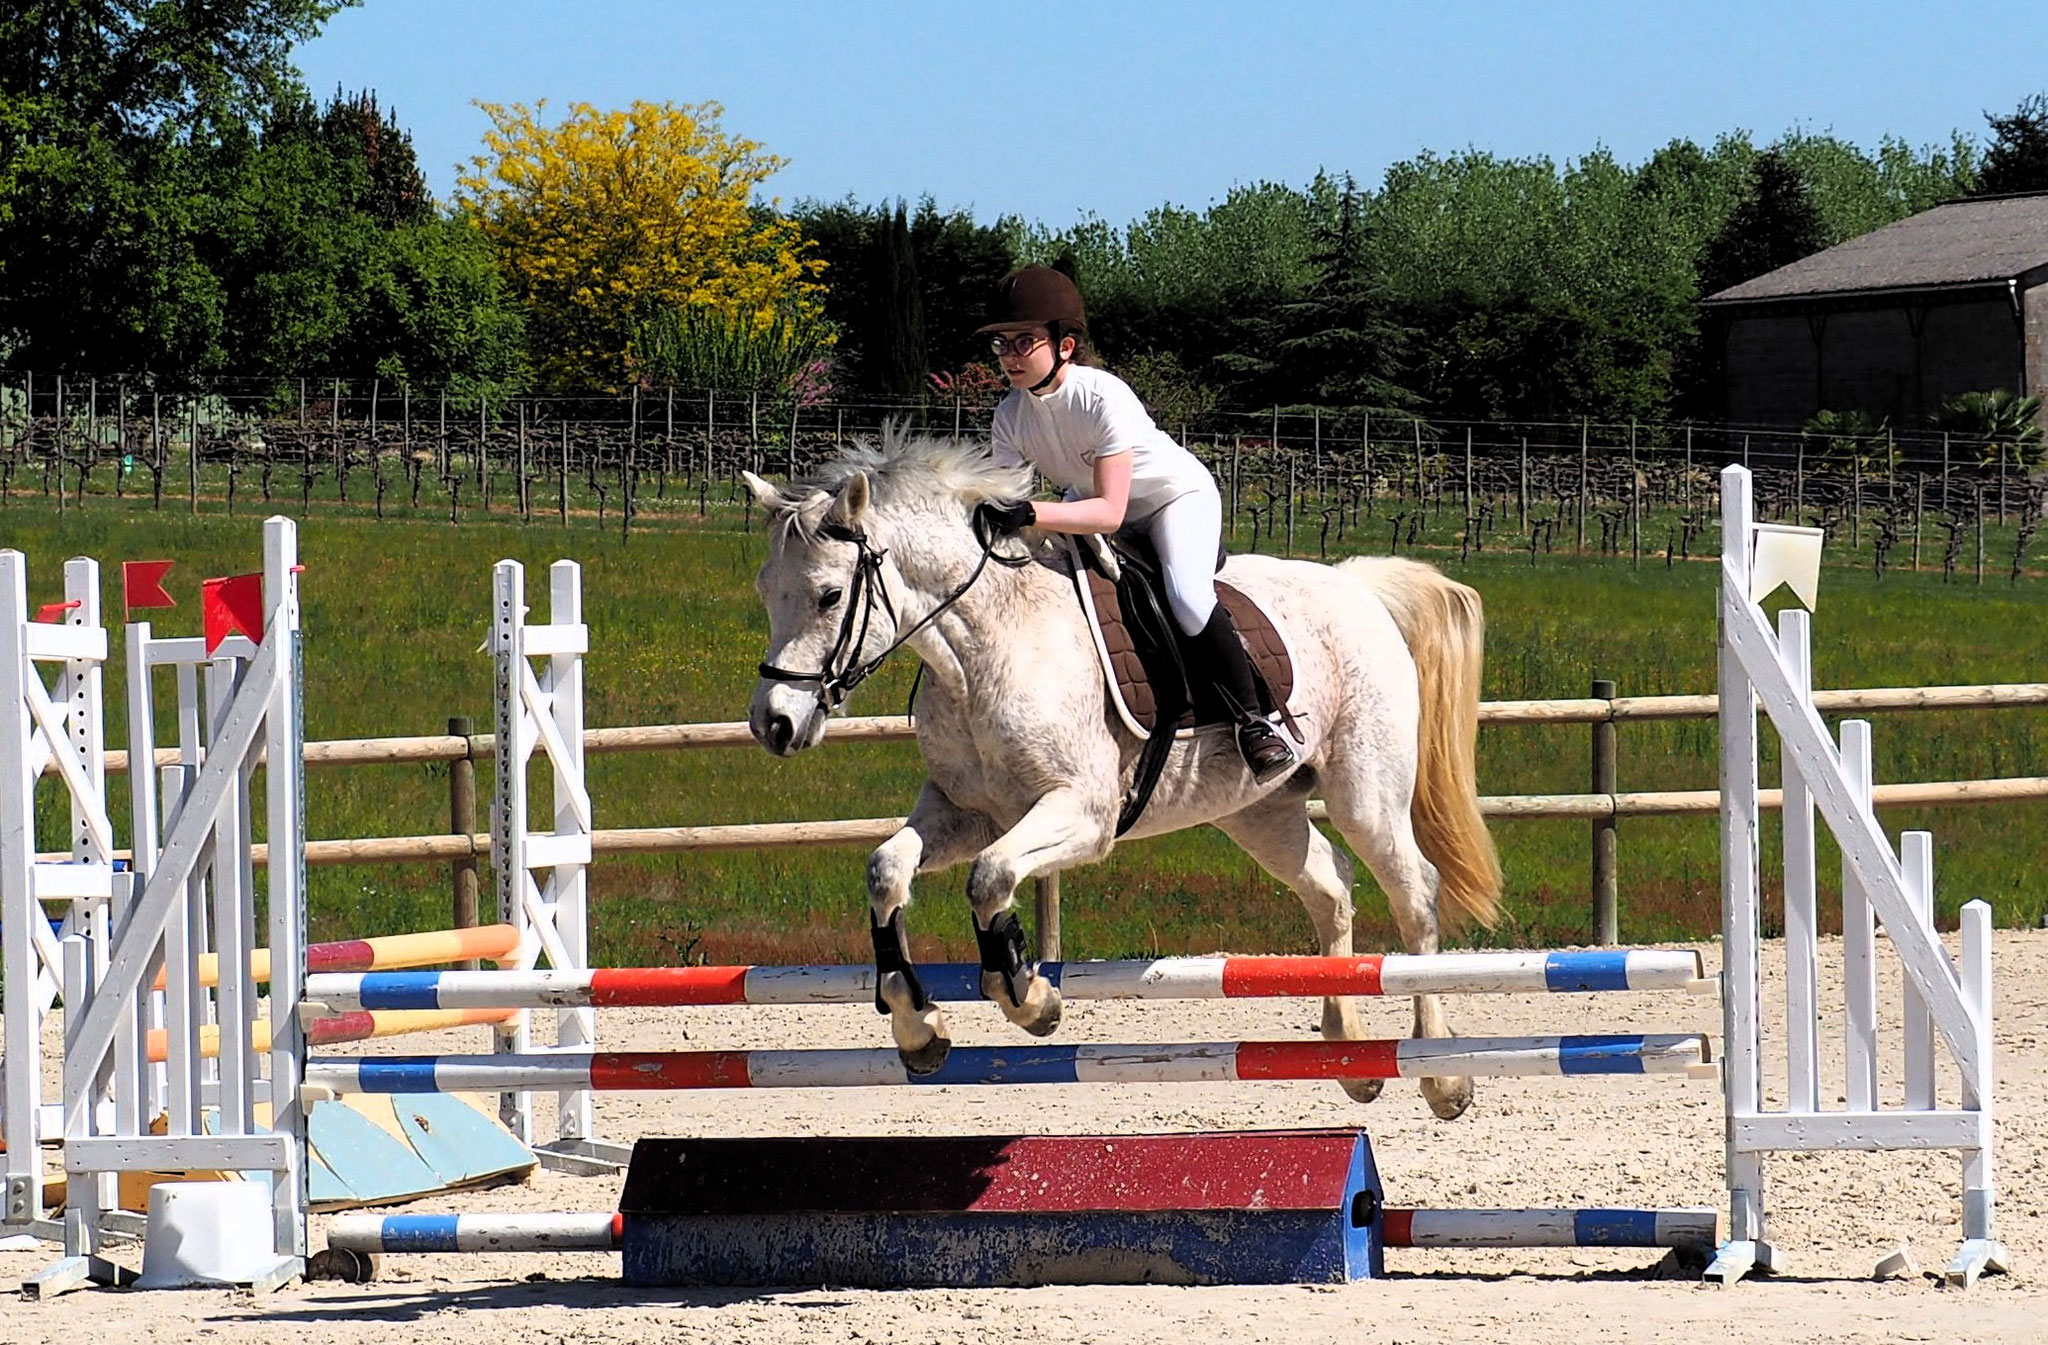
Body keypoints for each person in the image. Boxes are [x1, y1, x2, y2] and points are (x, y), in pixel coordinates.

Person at [972, 265, 1296, 784]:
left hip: (1172, 500)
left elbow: (1109, 512)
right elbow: (1011, 499)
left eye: (1023, 341)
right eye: (1002, 344)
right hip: (1086, 502)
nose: (1010, 355)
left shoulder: (1103, 395)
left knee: (1188, 599)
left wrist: (1033, 512)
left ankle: (1256, 722)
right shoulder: (1010, 415)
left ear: (1065, 345)